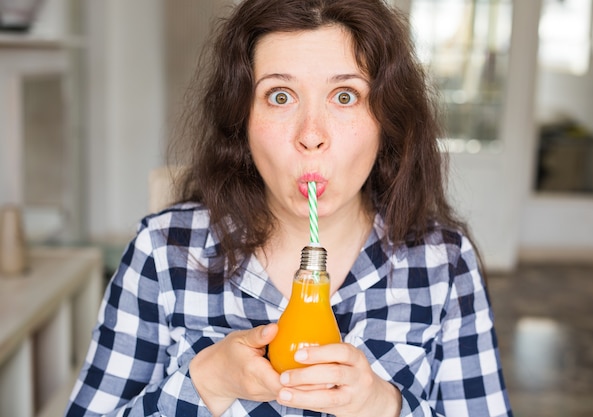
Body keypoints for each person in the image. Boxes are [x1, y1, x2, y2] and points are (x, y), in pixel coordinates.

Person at [65, 0, 513, 416]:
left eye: (345, 96)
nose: (311, 134)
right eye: (280, 96)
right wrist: (205, 382)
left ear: (387, 120)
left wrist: (385, 405)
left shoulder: (444, 264)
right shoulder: (164, 252)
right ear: (241, 122)